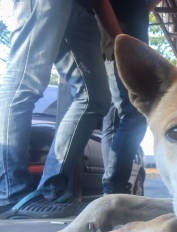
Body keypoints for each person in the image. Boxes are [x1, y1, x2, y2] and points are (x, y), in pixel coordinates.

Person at [0, 0, 122, 218]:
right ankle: (10, 192)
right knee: (24, 82)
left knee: (95, 98)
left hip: (84, 8)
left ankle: (52, 189)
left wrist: (120, 40)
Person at [99, 0, 158, 195]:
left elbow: (147, 5)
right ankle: (113, 186)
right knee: (134, 115)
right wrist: (122, 42)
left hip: (123, 47)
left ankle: (112, 188)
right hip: (121, 48)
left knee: (114, 119)